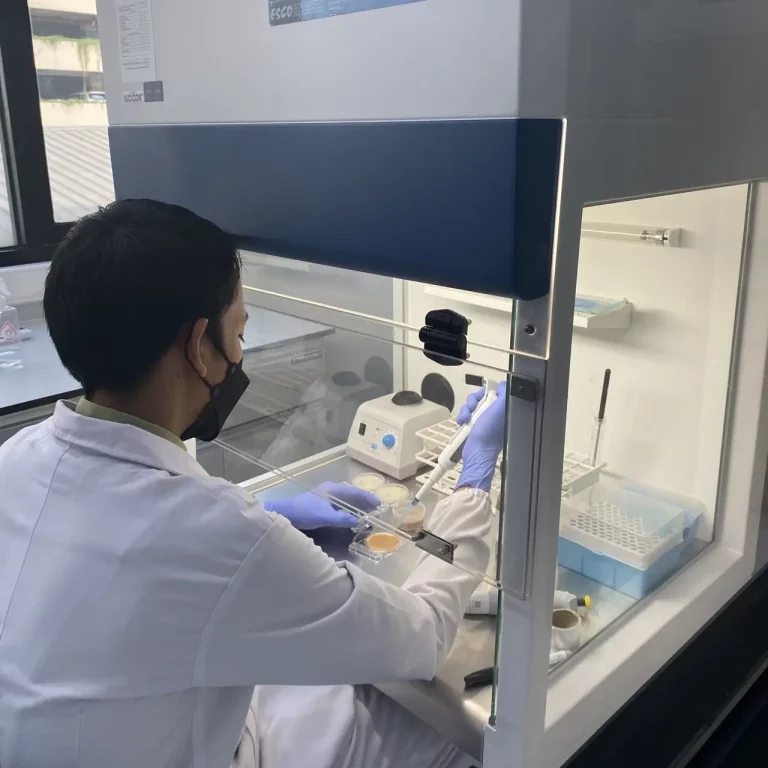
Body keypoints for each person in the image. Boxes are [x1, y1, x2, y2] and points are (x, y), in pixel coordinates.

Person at [0, 199, 506, 768]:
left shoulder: (14, 460)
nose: (238, 355)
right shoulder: (212, 535)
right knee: (437, 739)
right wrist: (472, 484)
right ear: (198, 347)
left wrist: (264, 515)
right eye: (238, 333)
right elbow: (420, 640)